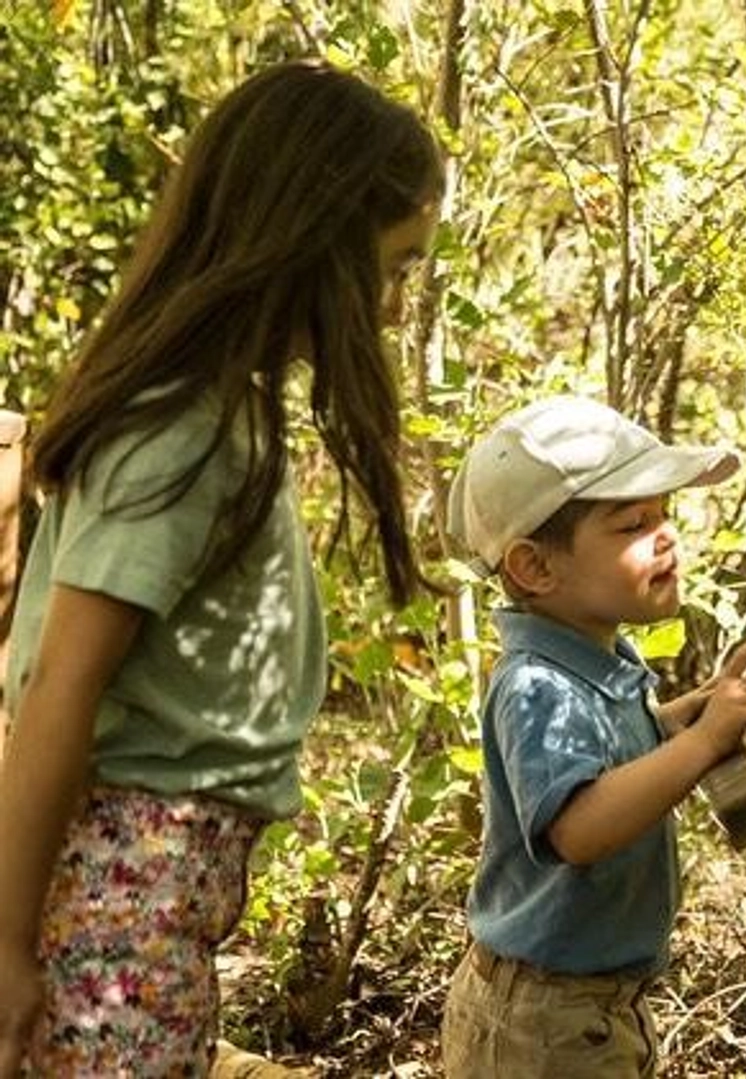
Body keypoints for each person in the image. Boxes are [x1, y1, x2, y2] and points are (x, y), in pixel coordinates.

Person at [0, 59, 441, 1077]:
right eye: (392, 268)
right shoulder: (178, 430)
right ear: (309, 243)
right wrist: (8, 944)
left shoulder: (225, 415)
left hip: (159, 900)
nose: (392, 307)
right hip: (113, 899)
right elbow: (63, 684)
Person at [441, 395, 746, 1078]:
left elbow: (608, 758)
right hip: (543, 1023)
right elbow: (580, 828)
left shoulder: (594, 661)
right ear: (535, 568)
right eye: (633, 524)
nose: (667, 535)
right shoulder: (536, 684)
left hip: (588, 1011)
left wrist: (681, 718)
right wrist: (703, 742)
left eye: (664, 514)